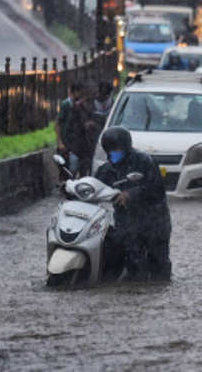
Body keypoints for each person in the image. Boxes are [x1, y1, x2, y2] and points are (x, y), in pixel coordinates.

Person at [94, 126, 172, 280]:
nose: (113, 153)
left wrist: (130, 194)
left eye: (116, 149)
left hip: (154, 221)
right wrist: (73, 188)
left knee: (158, 263)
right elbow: (94, 186)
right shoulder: (106, 169)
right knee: (133, 264)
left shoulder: (144, 161)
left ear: (126, 146)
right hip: (127, 224)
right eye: (109, 149)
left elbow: (155, 189)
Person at [56, 82, 84, 176]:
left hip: (75, 143)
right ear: (74, 92)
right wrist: (60, 142)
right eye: (79, 92)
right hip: (66, 142)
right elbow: (58, 124)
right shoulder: (65, 105)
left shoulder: (78, 105)